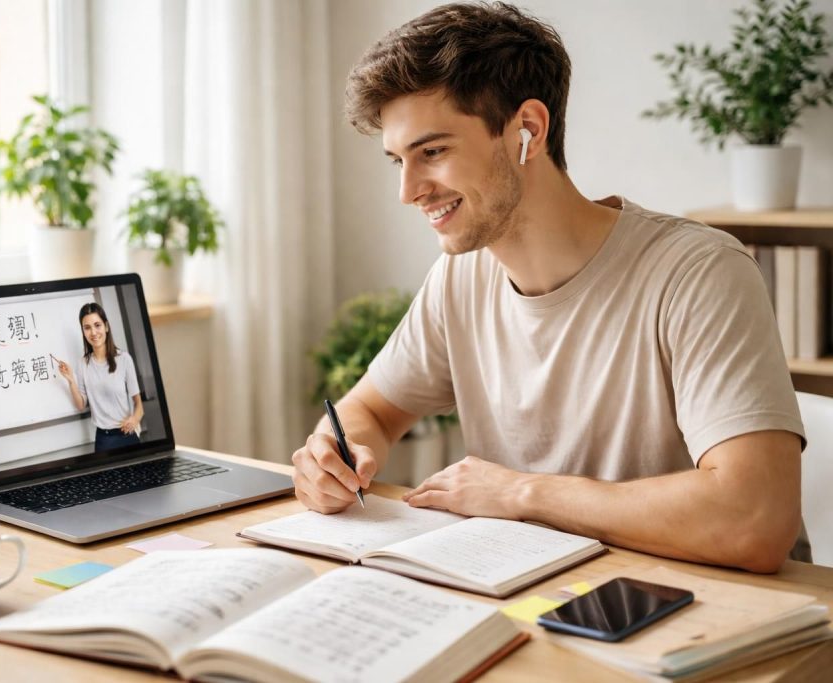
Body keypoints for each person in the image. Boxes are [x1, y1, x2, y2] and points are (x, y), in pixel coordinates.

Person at [292, 2, 807, 573]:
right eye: (398, 161)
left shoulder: (698, 273)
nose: (409, 191)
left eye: (432, 152)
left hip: (717, 615)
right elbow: (372, 410)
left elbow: (754, 520)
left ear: (527, 132)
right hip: (540, 591)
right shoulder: (461, 278)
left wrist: (520, 494)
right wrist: (334, 457)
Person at [57, 302, 144, 452]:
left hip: (127, 435)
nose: (93, 332)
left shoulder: (124, 359)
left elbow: (139, 406)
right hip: (104, 440)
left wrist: (134, 419)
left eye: (97, 325)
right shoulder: (83, 364)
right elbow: (80, 404)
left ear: (106, 326)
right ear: (83, 332)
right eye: (87, 328)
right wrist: (71, 380)